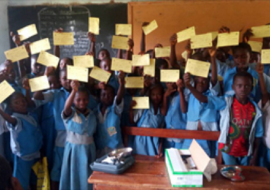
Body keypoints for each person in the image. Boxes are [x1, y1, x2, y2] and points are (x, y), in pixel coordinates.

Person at [204, 72, 263, 165]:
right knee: (230, 174)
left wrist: (254, 156)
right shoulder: (226, 103)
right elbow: (205, 100)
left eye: (247, 86)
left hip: (246, 151)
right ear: (233, 87)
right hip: (227, 149)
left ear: (251, 88)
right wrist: (190, 87)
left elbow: (258, 135)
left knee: (244, 175)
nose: (243, 89)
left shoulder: (255, 109)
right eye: (239, 86)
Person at [0, 81, 43, 190]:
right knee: (21, 183)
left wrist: (27, 90)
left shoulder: (29, 115)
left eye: (23, 101)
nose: (22, 103)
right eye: (17, 102)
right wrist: (0, 111)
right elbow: (9, 119)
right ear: (11, 106)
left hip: (35, 154)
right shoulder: (16, 119)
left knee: (35, 180)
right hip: (23, 158)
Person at [180, 47, 220, 157]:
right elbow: (188, 77)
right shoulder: (190, 92)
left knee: (205, 163)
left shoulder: (212, 95)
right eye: (197, 81)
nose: (200, 83)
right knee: (186, 160)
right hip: (190, 134)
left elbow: (214, 79)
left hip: (208, 135)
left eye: (204, 81)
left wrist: (213, 58)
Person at [60, 81, 96, 190]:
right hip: (74, 151)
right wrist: (74, 91)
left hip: (89, 150)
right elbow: (66, 108)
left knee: (87, 176)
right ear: (73, 101)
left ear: (89, 100)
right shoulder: (71, 114)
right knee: (73, 176)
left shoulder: (92, 114)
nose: (82, 102)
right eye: (78, 100)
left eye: (85, 99)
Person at [95, 71, 125, 158]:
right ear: (99, 97)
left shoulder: (115, 110)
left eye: (110, 95)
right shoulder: (95, 112)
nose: (106, 97)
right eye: (103, 95)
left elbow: (119, 98)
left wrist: (121, 83)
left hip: (116, 150)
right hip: (100, 150)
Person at [130, 84, 165, 157]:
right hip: (141, 140)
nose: (156, 97)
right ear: (149, 96)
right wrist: (130, 109)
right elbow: (132, 120)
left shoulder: (162, 111)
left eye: (158, 94)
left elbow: (162, 130)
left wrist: (160, 147)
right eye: (153, 95)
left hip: (154, 141)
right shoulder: (144, 107)